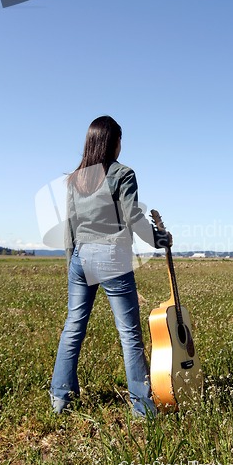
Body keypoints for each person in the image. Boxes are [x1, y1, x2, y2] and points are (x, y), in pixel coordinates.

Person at [50, 115, 171, 417]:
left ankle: (60, 399)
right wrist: (159, 239)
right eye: (120, 139)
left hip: (80, 257)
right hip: (112, 258)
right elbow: (133, 217)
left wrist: (71, 264)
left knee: (73, 328)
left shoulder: (75, 180)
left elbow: (70, 227)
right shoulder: (123, 174)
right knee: (129, 334)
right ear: (113, 142)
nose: (121, 145)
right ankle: (142, 407)